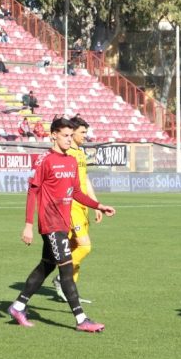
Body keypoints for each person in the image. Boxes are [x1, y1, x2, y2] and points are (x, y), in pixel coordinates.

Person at [9, 117, 116, 332]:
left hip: (63, 223)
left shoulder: (71, 161)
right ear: (54, 135)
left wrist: (99, 205)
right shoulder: (44, 160)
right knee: (66, 272)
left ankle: (18, 306)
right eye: (65, 135)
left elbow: (76, 192)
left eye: (70, 135)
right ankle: (81, 320)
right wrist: (28, 224)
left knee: (46, 266)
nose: (69, 139)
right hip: (50, 224)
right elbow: (33, 192)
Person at [51, 116, 102, 301]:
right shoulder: (66, 154)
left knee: (74, 247)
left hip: (83, 206)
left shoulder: (80, 153)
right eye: (82, 132)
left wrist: (95, 204)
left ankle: (70, 292)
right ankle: (60, 279)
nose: (84, 136)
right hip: (71, 206)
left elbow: (85, 179)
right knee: (85, 246)